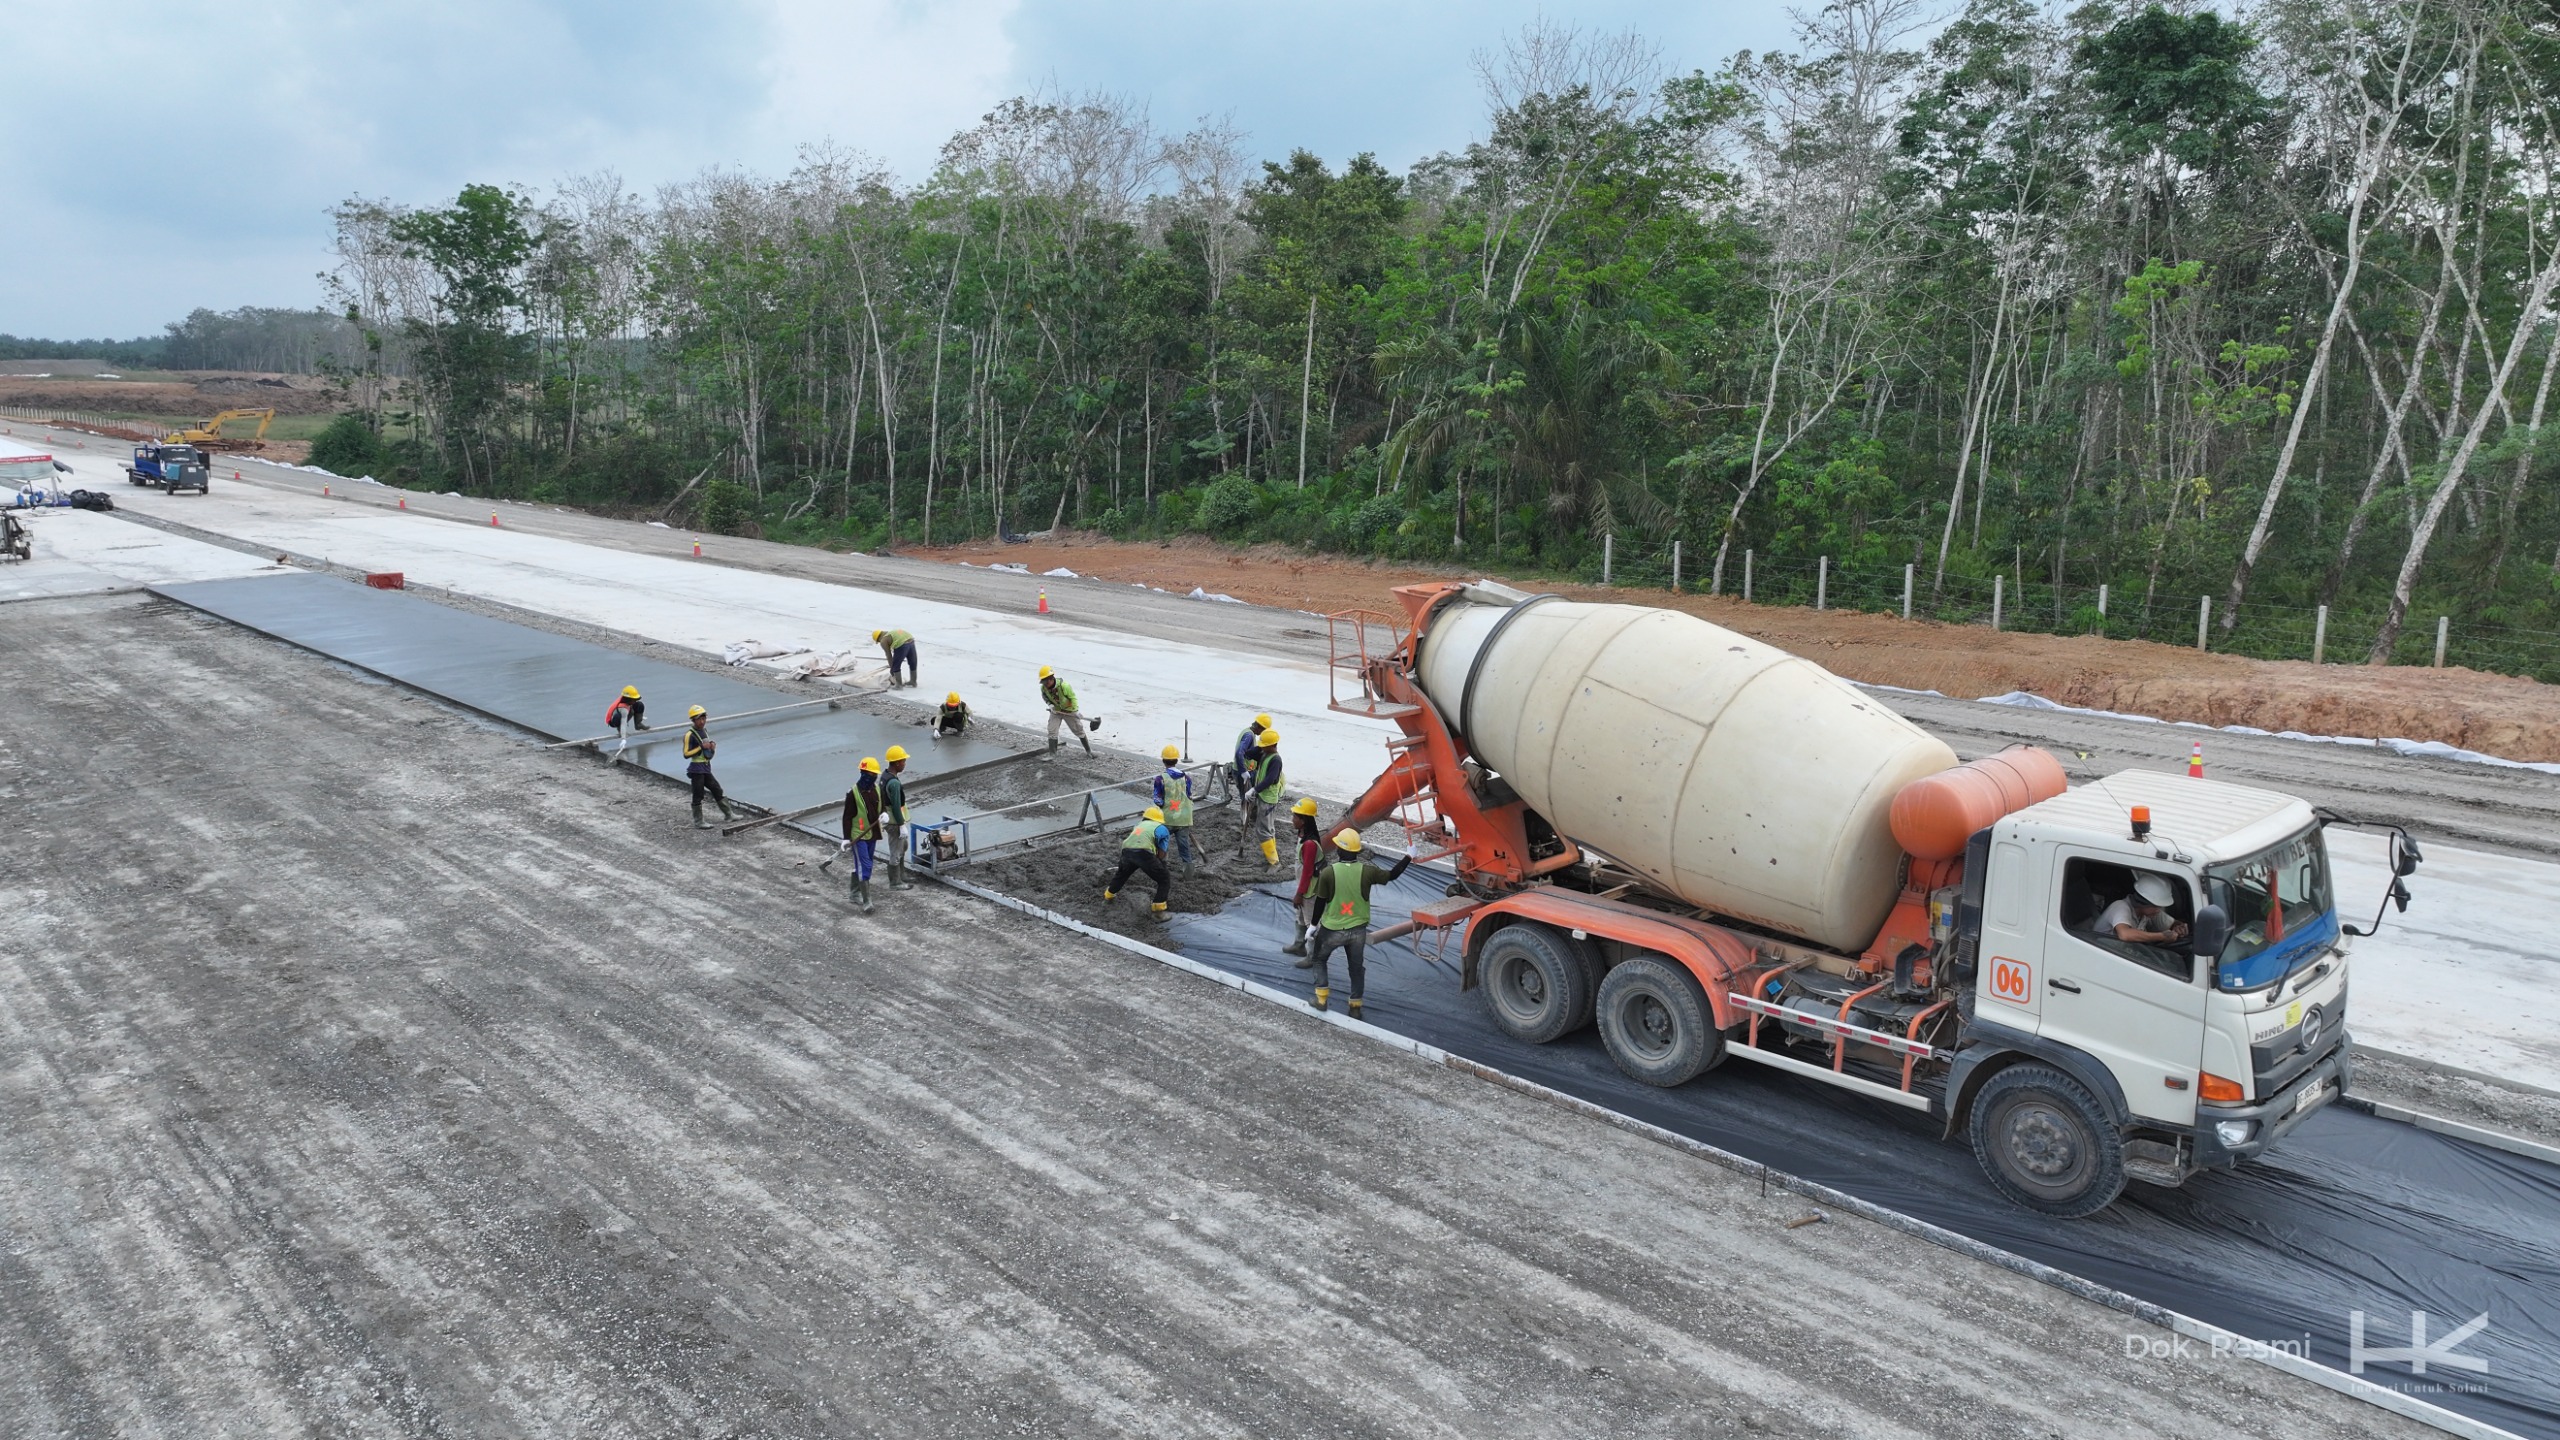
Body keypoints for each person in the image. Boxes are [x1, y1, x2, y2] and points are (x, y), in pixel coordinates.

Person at [1301, 829, 1412, 1017]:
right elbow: (1392, 875)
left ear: (1340, 850)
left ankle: (1321, 999)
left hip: (1332, 929)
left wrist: (1313, 926)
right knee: (1356, 967)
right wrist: (1409, 856)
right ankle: (1355, 1007)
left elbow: (1320, 901)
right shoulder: (1367, 872)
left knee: (1319, 959)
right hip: (1358, 931)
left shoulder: (1329, 873)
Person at [1104, 806, 1173, 922]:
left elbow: (1135, 841)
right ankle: (1158, 912)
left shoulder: (1138, 826)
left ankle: (1108, 898)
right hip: (1143, 853)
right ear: (1159, 819)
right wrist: (1160, 864)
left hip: (1126, 851)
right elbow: (1162, 852)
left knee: (1121, 875)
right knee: (1164, 878)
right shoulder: (1162, 828)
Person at [837, 757, 883, 911]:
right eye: (870, 774)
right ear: (863, 773)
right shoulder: (853, 794)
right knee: (865, 865)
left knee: (865, 863)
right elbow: (847, 817)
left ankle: (854, 892)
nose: (873, 777)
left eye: (874, 774)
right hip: (858, 835)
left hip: (873, 833)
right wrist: (845, 838)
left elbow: (880, 808)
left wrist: (883, 815)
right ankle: (866, 901)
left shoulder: (876, 790)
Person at [1282, 798, 1325, 958]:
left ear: (1304, 820)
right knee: (1300, 916)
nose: (1292, 819)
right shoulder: (1302, 836)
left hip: (1310, 889)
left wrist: (1300, 893)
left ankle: (1313, 956)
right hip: (1304, 885)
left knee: (1311, 922)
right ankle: (1299, 945)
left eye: (1295, 816)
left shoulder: (1310, 844)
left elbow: (1307, 871)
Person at [2098, 872, 2190, 945]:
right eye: (2156, 906)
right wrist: (2162, 936)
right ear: (2143, 902)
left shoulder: (2149, 913)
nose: (2158, 910)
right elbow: (2125, 934)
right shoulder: (2120, 906)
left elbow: (2172, 923)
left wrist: (2179, 927)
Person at [682, 705, 733, 830]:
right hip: (696, 769)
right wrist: (701, 747)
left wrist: (711, 748)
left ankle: (729, 814)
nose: (702, 721)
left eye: (704, 718)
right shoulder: (689, 735)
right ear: (693, 720)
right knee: (698, 794)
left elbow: (707, 753)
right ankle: (699, 821)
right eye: (699, 719)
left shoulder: (704, 731)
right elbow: (686, 754)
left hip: (705, 767)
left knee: (716, 789)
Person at [1238, 728, 1283, 866]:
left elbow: (1270, 779)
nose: (1261, 747)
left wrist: (1254, 790)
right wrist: (1260, 748)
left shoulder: (1276, 760)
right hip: (1262, 795)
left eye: (1264, 745)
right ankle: (1271, 856)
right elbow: (1248, 754)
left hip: (1268, 799)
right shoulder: (1265, 754)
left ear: (1272, 745)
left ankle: (1274, 862)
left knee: (1263, 830)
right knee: (1267, 828)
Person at [1152, 746, 1200, 873]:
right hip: (1184, 818)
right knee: (1184, 847)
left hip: (1167, 819)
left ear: (1163, 760)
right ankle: (1189, 872)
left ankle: (1161, 870)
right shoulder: (1186, 778)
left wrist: (1160, 805)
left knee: (1162, 844)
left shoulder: (1160, 779)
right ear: (1176, 761)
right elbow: (1189, 795)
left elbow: (1157, 799)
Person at [1038, 666, 1095, 759]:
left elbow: (1072, 698)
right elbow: (1045, 697)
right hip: (1056, 711)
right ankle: (1052, 754)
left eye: (1046, 682)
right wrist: (1050, 705)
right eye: (1043, 682)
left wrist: (1076, 711)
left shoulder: (1064, 686)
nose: (1045, 684)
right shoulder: (1043, 688)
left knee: (1078, 730)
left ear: (1051, 678)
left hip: (1069, 710)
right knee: (1052, 730)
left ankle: (1089, 751)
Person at [880, 745, 912, 890]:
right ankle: (895, 882)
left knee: (902, 846)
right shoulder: (893, 783)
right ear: (897, 762)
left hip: (888, 818)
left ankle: (901, 874)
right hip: (893, 821)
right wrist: (901, 824)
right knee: (896, 850)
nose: (905, 764)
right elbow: (896, 806)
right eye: (904, 761)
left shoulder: (886, 776)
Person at [604, 685, 648, 764]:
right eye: (633, 700)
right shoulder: (623, 708)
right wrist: (623, 739)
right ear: (628, 699)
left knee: (639, 705)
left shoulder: (628, 702)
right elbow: (623, 723)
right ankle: (619, 729)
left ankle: (638, 724)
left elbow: (633, 707)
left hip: (624, 713)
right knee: (622, 717)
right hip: (614, 720)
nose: (635, 701)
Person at [1232, 713, 1273, 787]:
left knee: (1247, 795)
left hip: (1242, 769)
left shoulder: (1248, 731)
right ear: (1259, 727)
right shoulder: (1249, 736)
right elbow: (1239, 753)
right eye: (1263, 731)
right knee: (1246, 797)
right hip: (1241, 771)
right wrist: (1243, 771)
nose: (1262, 734)